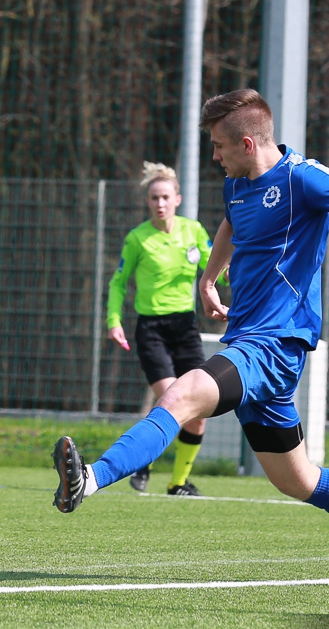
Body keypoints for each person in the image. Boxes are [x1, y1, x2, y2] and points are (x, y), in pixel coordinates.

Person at [52, 89, 329, 590]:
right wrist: (209, 277)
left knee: (181, 394)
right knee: (297, 480)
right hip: (249, 341)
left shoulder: (304, 179)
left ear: (247, 143)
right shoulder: (236, 184)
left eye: (219, 146)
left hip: (276, 345)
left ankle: (90, 478)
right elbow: (231, 223)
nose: (214, 156)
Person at [106, 162, 222, 496]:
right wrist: (114, 321)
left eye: (165, 197)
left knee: (199, 411)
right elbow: (118, 283)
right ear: (148, 201)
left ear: (177, 200)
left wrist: (237, 272)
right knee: (173, 398)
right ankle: (143, 459)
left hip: (185, 328)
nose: (160, 203)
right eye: (154, 197)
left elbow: (216, 271)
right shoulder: (138, 238)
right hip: (152, 330)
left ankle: (178, 482)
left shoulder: (193, 231)